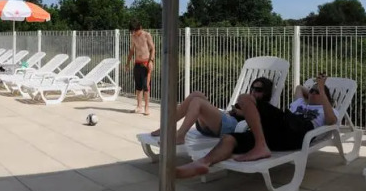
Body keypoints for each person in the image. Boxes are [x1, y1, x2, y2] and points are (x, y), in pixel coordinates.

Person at [175, 73, 338, 179]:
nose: (312, 93)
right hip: (276, 134)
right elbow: (299, 88)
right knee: (230, 138)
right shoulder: (300, 102)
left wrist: (321, 90)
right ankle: (203, 162)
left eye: (317, 92)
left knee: (245, 99)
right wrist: (313, 90)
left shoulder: (327, 110)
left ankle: (260, 147)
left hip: (299, 130)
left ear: (326, 98)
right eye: (311, 91)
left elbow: (331, 121)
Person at [150, 77, 275, 143]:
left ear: (266, 93)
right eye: (252, 88)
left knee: (197, 101)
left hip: (231, 127)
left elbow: (257, 121)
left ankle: (180, 136)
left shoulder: (264, 106)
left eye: (258, 90)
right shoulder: (247, 100)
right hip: (221, 121)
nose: (253, 92)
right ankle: (166, 127)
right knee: (196, 94)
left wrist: (240, 112)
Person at [125, 20, 155, 115]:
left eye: (135, 31)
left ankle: (147, 107)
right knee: (138, 86)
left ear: (140, 28)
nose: (134, 33)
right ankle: (139, 106)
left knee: (146, 86)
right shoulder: (133, 37)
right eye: (132, 31)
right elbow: (131, 51)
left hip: (146, 63)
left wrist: (151, 61)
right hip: (137, 62)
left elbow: (152, 48)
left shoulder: (147, 35)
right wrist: (127, 63)